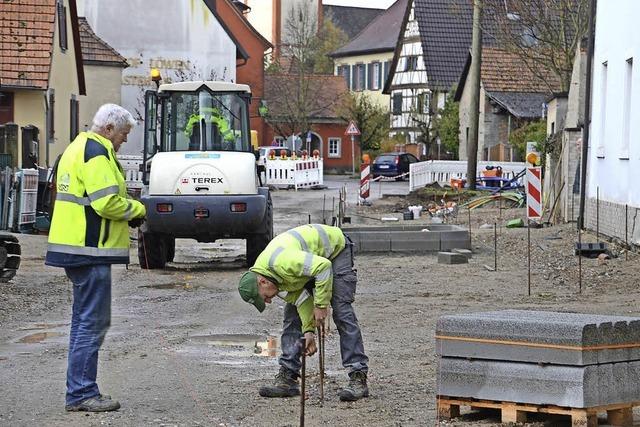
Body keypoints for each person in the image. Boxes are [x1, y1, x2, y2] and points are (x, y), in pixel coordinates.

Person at [45, 104, 146, 412]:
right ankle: (81, 392)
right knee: (93, 323)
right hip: (89, 250)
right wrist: (138, 210)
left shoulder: (77, 147)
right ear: (108, 129)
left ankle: (78, 390)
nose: (124, 141)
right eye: (124, 134)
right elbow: (106, 203)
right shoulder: (96, 152)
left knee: (83, 322)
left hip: (76, 248)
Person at [238, 224, 369, 401]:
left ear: (262, 282)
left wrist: (321, 305)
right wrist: (309, 332)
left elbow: (323, 267)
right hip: (311, 262)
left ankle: (358, 376)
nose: (268, 301)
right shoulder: (272, 278)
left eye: (264, 298)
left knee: (341, 311)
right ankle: (288, 378)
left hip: (336, 249)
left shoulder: (283, 263)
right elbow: (302, 301)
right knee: (291, 316)